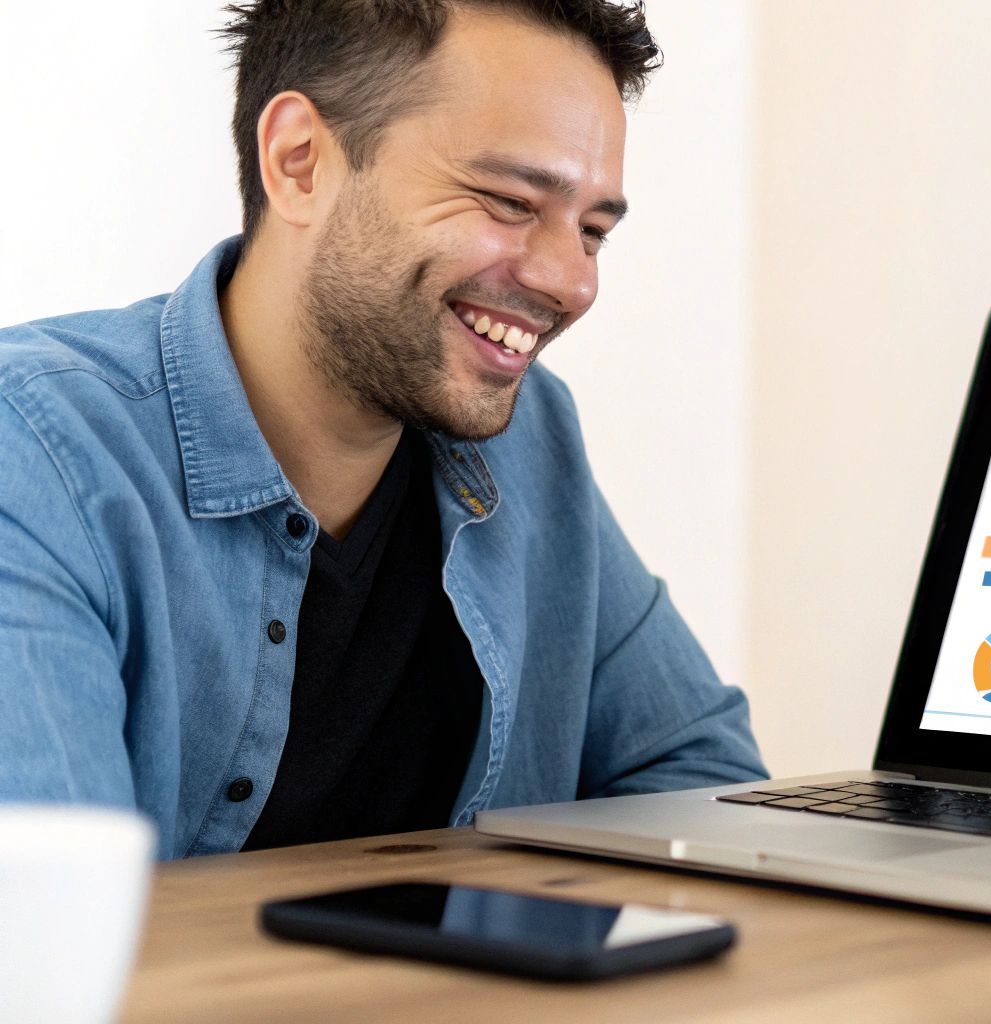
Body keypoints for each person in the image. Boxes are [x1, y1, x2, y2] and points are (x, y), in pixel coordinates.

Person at [0, 0, 765, 859]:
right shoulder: (33, 452)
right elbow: (50, 912)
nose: (571, 283)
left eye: (592, 232)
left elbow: (706, 787)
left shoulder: (530, 439)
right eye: (511, 201)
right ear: (299, 161)